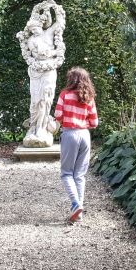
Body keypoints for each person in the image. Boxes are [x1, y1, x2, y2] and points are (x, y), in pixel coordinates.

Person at [54, 66, 98, 223]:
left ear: (71, 79)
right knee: (79, 175)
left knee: (66, 173)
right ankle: (78, 213)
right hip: (85, 135)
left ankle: (75, 204)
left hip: (70, 134)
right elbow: (94, 122)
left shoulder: (64, 95)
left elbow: (58, 115)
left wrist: (66, 119)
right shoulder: (89, 98)